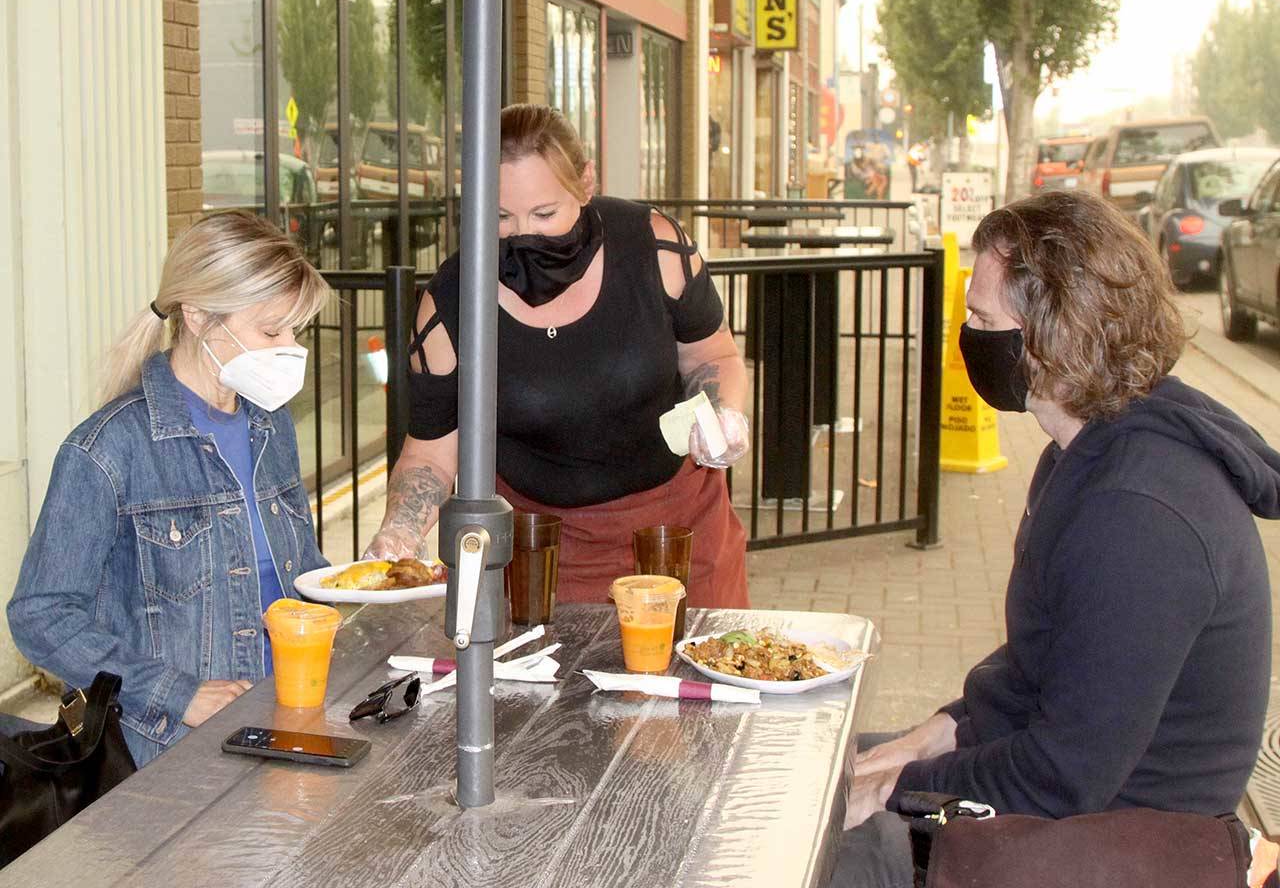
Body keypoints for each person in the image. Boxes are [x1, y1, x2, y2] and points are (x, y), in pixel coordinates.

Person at [833, 189, 1279, 886]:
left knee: (838, 853)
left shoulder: (1139, 515)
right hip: (1074, 797)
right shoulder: (1084, 452)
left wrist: (895, 791)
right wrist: (932, 733)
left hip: (1114, 841)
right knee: (835, 768)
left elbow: (1060, 780)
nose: (970, 336)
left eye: (983, 319)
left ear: (1055, 334)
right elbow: (1042, 666)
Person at [366, 104, 751, 607]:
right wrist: (398, 534)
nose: (523, 234)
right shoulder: (450, 303)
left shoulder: (654, 246)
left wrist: (724, 413)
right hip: (541, 551)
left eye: (545, 213)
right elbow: (432, 451)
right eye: (500, 217)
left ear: (585, 183)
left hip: (677, 533)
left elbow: (711, 355)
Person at [7, 211, 331, 767]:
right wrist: (176, 693)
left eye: (295, 329)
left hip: (284, 718)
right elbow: (42, 615)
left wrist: (364, 592)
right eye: (271, 329)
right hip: (167, 752)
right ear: (200, 316)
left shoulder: (270, 425)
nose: (290, 347)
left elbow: (294, 573)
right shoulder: (105, 450)